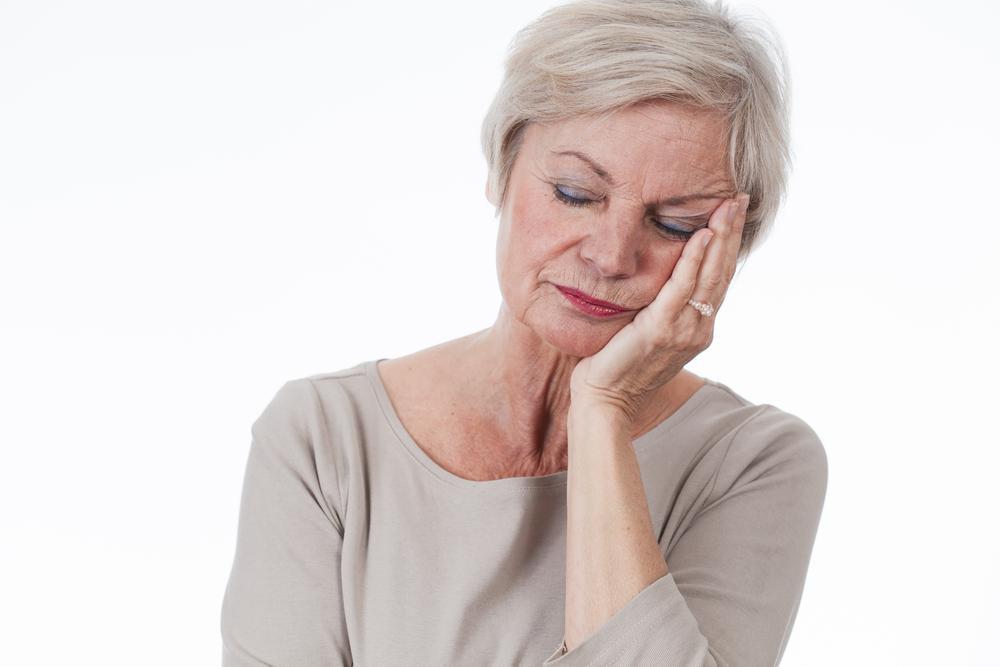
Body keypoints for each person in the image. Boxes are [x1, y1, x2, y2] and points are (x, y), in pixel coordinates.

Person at [219, 0, 828, 664]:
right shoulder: (324, 438)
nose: (611, 255)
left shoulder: (753, 462)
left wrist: (603, 410)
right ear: (501, 168)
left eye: (674, 224)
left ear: (729, 250)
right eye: (574, 193)